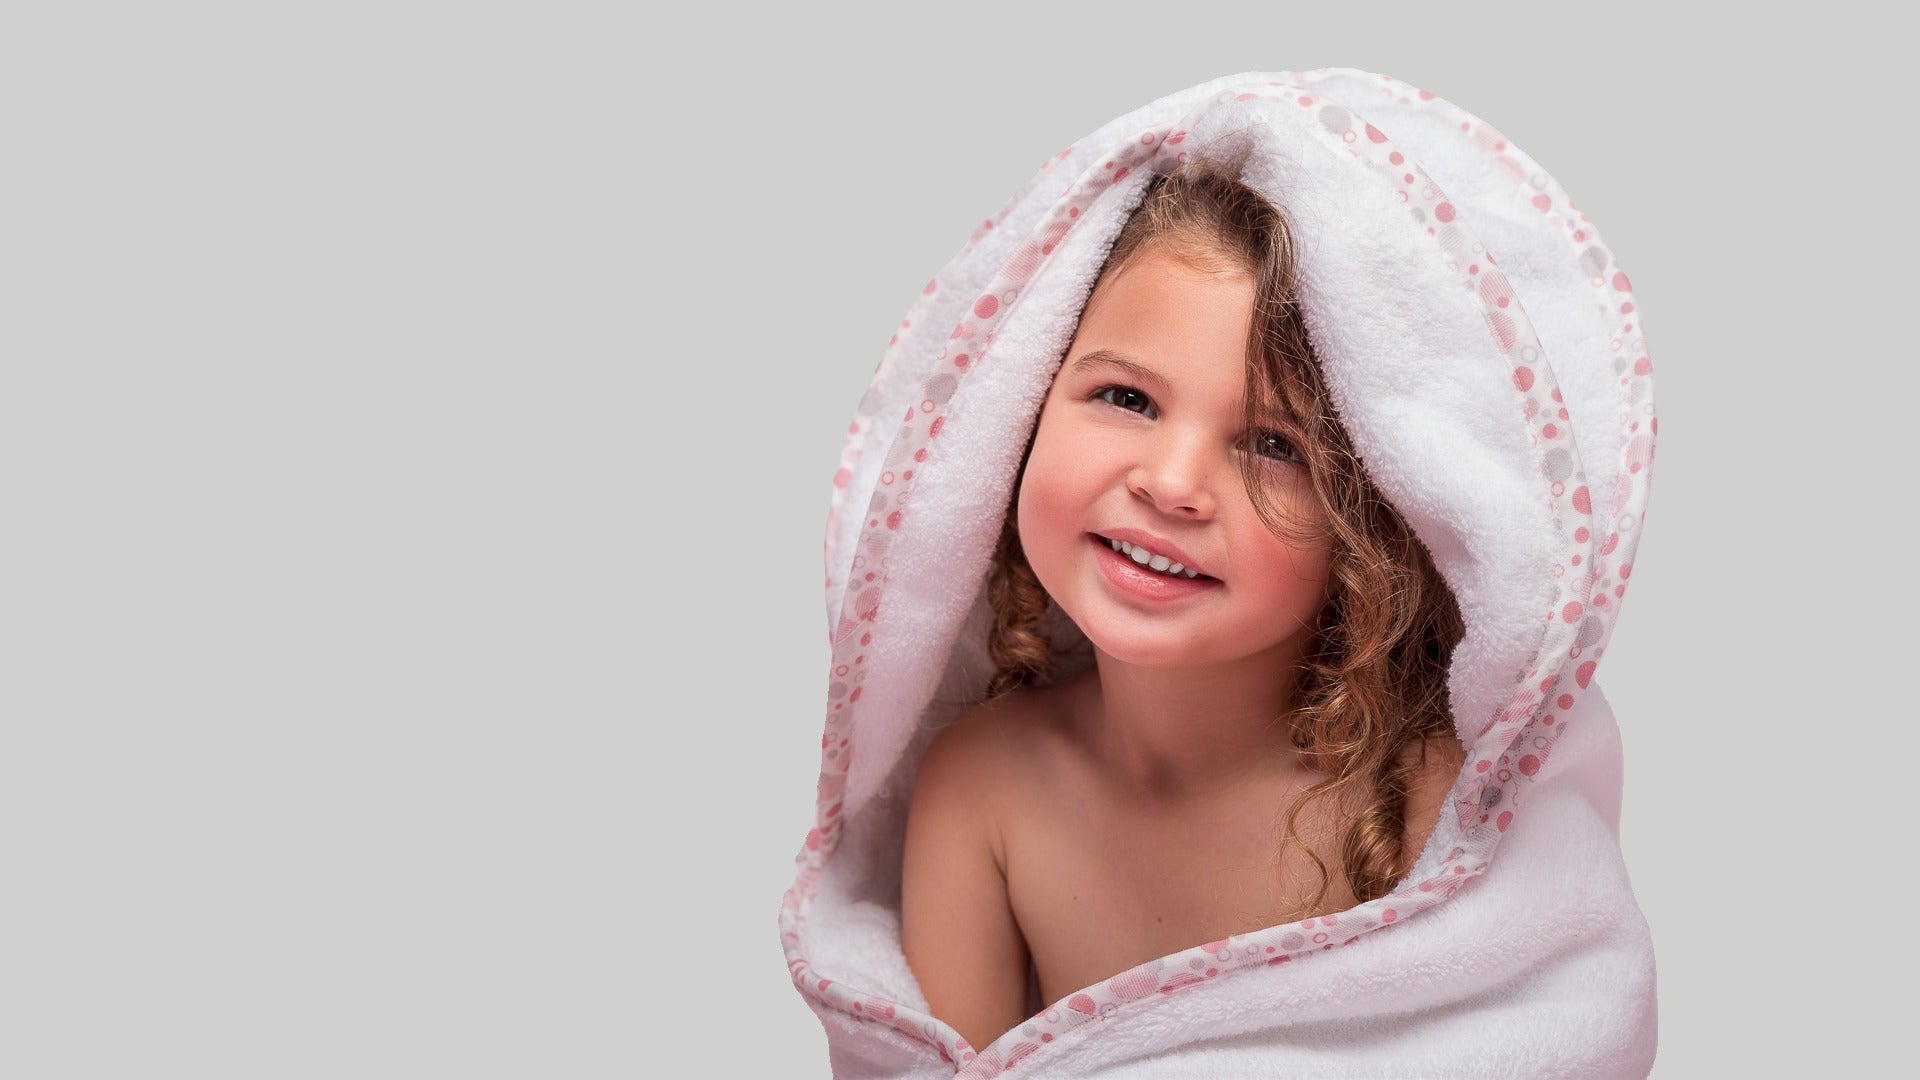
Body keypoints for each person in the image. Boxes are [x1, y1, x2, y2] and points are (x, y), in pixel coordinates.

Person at [900, 165, 1469, 1055]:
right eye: (1127, 398)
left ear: (1375, 527)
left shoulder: (1423, 796)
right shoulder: (981, 791)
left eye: (1276, 446)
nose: (1170, 485)